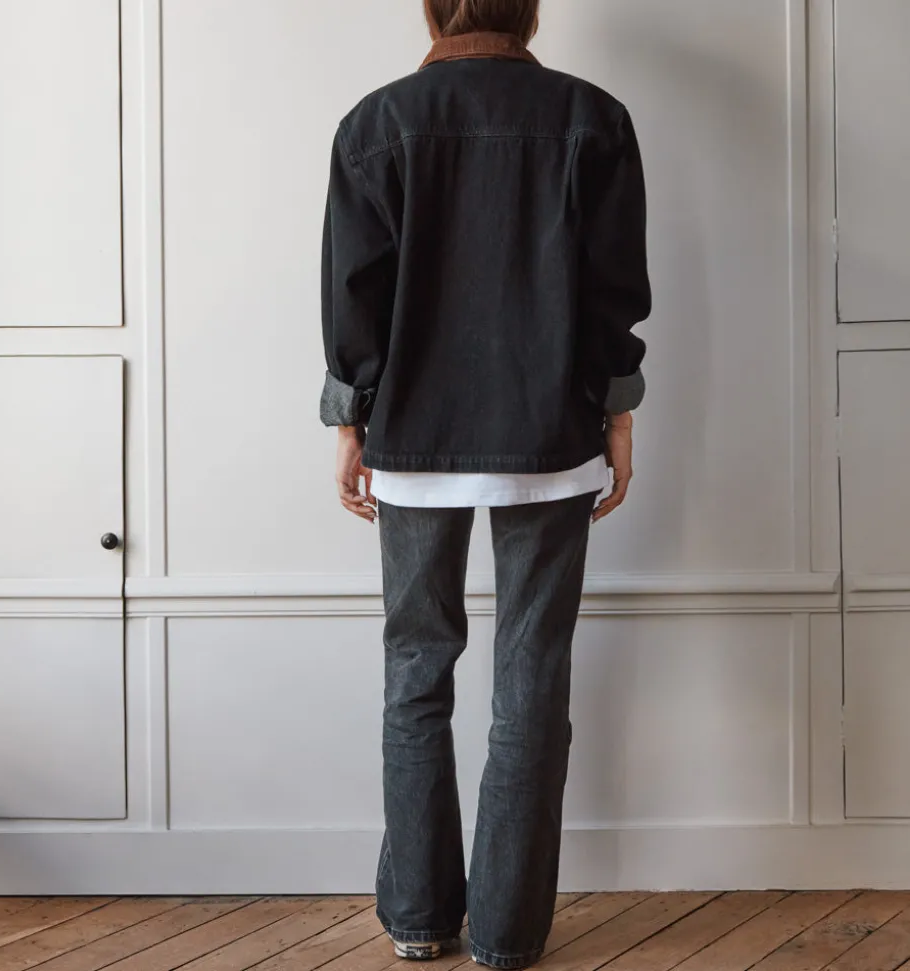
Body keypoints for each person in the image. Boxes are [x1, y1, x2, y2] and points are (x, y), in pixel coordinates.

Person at [319, 1, 650, 967]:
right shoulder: (594, 119)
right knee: (532, 675)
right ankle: (507, 931)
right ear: (529, 9)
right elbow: (614, 291)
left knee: (415, 669)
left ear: (434, 7)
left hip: (413, 434)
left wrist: (349, 419)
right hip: (551, 432)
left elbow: (353, 295)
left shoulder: (376, 123)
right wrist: (618, 413)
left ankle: (420, 916)